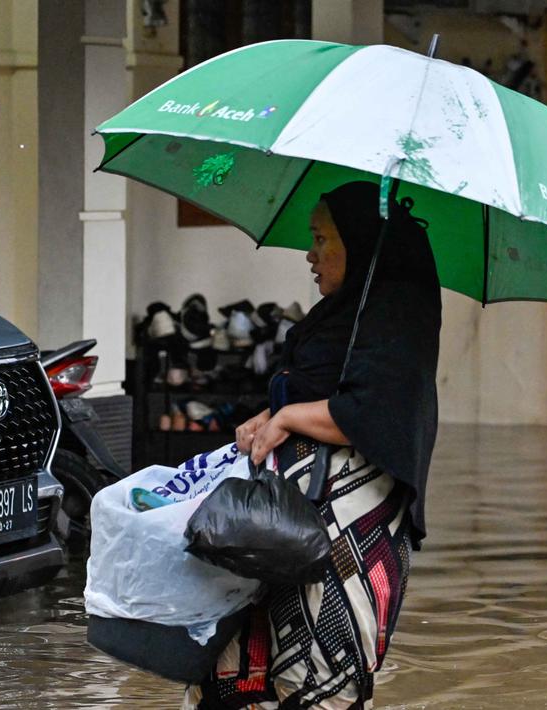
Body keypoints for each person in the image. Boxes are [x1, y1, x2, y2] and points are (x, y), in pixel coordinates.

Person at [184, 180, 442, 709]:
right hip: (284, 530)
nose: (310, 254)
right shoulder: (340, 315)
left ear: (361, 244)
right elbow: (314, 387)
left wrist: (289, 416)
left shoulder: (396, 311)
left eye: (323, 239)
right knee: (237, 676)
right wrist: (270, 415)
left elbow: (372, 410)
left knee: (320, 682)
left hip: (343, 540)